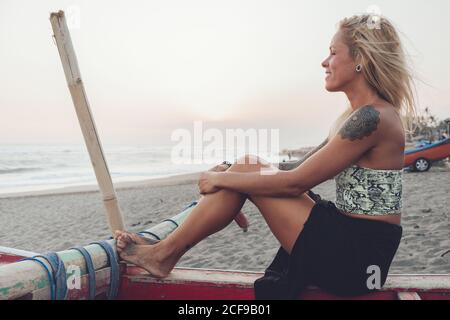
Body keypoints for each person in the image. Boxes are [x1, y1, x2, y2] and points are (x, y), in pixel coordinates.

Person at [115, 14, 416, 299]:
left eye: (333, 53)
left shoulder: (372, 119)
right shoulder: (359, 116)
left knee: (246, 170)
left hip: (358, 259)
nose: (324, 62)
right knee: (246, 165)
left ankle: (164, 254)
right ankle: (166, 249)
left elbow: (293, 183)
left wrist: (221, 179)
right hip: (352, 240)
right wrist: (234, 175)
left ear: (360, 59)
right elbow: (296, 167)